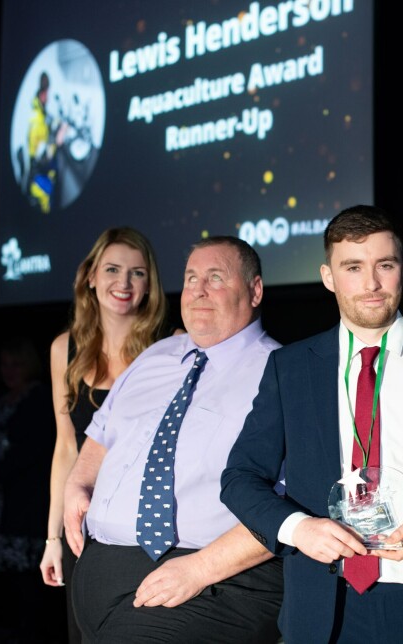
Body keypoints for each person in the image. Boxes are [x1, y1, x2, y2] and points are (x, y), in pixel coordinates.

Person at [220, 205, 403, 643]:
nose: (371, 284)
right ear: (328, 276)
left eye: (385, 265)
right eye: (353, 267)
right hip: (322, 605)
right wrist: (298, 528)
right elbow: (239, 478)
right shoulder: (291, 368)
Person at [63, 236, 284, 643]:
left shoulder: (283, 372)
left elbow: (290, 502)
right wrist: (77, 484)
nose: (198, 290)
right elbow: (100, 433)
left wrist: (200, 569)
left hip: (207, 578)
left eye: (215, 278)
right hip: (99, 572)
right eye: (191, 278)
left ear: (254, 291)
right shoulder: (156, 355)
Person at [39, 226, 173, 643]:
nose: (124, 283)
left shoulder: (170, 348)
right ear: (91, 276)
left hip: (144, 529)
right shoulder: (65, 349)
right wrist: (52, 538)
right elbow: (66, 449)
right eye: (113, 269)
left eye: (137, 273)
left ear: (150, 284)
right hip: (84, 529)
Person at [0, 336, 61, 642]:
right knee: (5, 582)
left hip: (26, 502)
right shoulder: (2, 399)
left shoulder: (37, 398)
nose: (9, 371)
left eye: (16, 364)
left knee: (28, 580)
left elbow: (35, 449)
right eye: (4, 365)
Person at [27, 71, 67, 214]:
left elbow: (52, 122)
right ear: (42, 95)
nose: (48, 97)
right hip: (39, 178)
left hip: (46, 172)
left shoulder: (43, 114)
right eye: (46, 93)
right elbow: (42, 156)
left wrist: (60, 125)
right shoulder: (36, 121)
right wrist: (56, 142)